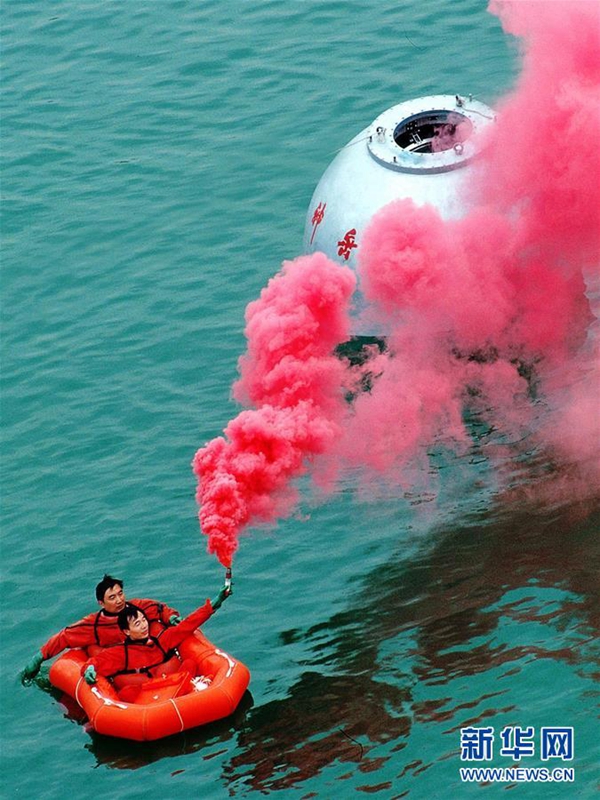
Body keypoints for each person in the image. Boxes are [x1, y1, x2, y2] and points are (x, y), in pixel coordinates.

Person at [20, 574, 180, 685]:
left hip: (149, 654)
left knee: (159, 630)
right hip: (124, 666)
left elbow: (160, 609)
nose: (119, 600)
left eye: (120, 594)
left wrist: (171, 617)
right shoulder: (94, 625)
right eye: (112, 597)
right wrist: (38, 659)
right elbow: (65, 637)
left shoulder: (138, 608)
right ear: (101, 603)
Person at [82, 585, 230, 687]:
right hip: (148, 698)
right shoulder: (120, 653)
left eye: (143, 620)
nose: (144, 625)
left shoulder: (163, 640)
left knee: (190, 664)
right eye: (137, 624)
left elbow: (190, 623)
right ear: (127, 631)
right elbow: (95, 663)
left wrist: (217, 601)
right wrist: (89, 670)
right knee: (126, 690)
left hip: (176, 685)